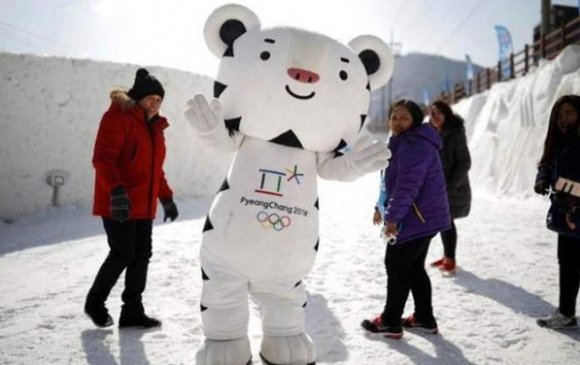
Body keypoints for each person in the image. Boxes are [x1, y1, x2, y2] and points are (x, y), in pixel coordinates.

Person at [85, 68, 179, 329]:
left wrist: (166, 199)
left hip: (143, 205)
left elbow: (154, 170)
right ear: (137, 98)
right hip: (119, 202)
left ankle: (132, 312)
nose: (155, 104)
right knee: (122, 253)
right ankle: (94, 303)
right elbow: (103, 158)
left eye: (159, 100)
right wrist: (116, 191)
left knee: (141, 256)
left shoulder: (156, 128)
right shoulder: (118, 118)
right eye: (150, 98)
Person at [362, 99, 451, 339]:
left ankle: (390, 321)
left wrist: (392, 218)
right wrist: (379, 206)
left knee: (397, 266)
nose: (397, 122)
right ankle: (424, 318)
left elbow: (406, 187)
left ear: (414, 120)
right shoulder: (403, 143)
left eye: (404, 117)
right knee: (412, 268)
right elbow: (389, 183)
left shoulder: (415, 145)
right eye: (394, 117)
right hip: (421, 216)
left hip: (417, 218)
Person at [535, 94, 580, 330]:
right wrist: (542, 179)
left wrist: (571, 191)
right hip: (566, 212)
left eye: (569, 113)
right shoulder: (559, 140)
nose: (564, 118)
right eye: (560, 114)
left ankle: (566, 312)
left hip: (575, 209)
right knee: (567, 262)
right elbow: (546, 162)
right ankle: (566, 312)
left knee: (571, 262)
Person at [428, 100, 472, 274]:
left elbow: (465, 162)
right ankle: (448, 255)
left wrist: (450, 185)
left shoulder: (455, 134)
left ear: (447, 115)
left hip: (451, 188)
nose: (435, 116)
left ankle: (450, 259)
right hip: (437, 187)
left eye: (439, 113)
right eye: (432, 113)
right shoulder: (432, 134)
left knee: (446, 222)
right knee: (443, 222)